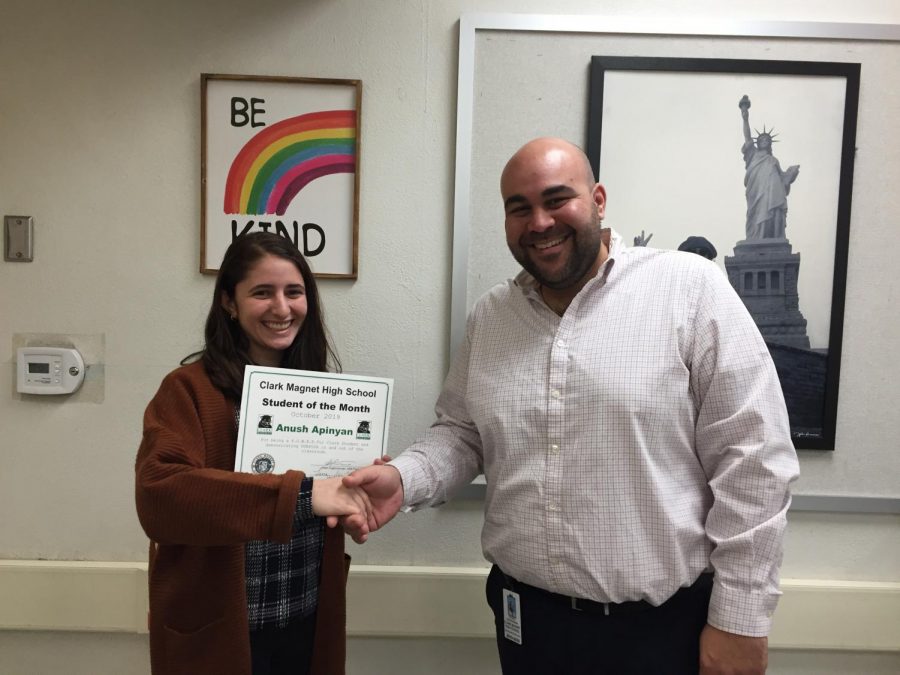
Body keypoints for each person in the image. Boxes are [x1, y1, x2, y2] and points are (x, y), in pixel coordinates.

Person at [343, 138, 800, 674]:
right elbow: (462, 433)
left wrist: (740, 621)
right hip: (527, 626)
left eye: (557, 199)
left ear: (599, 200)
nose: (539, 221)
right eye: (519, 207)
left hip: (661, 634)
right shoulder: (492, 316)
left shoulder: (689, 290)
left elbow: (754, 461)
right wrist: (403, 478)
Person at [135, 232, 368, 675]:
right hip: (222, 633)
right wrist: (304, 495)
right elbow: (158, 492)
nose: (282, 308)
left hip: (306, 619)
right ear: (229, 302)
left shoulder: (323, 394)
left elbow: (332, 498)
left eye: (294, 292)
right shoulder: (187, 390)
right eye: (262, 292)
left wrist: (356, 492)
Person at [739, 95, 800, 240]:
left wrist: (791, 173)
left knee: (773, 210)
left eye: (767, 140)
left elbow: (783, 178)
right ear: (758, 143)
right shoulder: (753, 154)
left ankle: (772, 236)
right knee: (757, 212)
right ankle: (757, 236)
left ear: (770, 144)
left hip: (773, 191)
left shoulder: (773, 160)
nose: (764, 141)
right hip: (756, 190)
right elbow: (748, 137)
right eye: (761, 139)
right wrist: (745, 117)